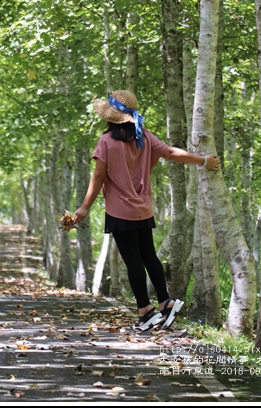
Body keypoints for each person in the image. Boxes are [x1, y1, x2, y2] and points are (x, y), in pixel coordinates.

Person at [73, 90, 220, 331]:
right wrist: (203, 160)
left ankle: (146, 310)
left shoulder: (106, 142)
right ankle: (165, 301)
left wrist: (84, 207)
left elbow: (98, 176)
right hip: (143, 211)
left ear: (109, 118)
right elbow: (172, 153)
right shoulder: (145, 137)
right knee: (149, 256)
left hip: (120, 213)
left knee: (133, 261)